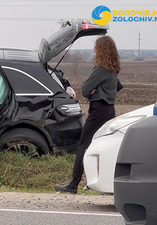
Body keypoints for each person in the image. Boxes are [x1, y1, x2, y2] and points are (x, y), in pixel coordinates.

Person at [54, 35, 123, 194]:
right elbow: (117, 87)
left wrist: (95, 92)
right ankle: (107, 183)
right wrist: (101, 90)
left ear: (101, 51)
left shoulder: (100, 70)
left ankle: (73, 184)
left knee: (84, 144)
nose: (94, 51)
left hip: (98, 110)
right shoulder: (113, 69)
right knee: (104, 146)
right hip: (109, 109)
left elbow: (85, 90)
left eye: (96, 49)